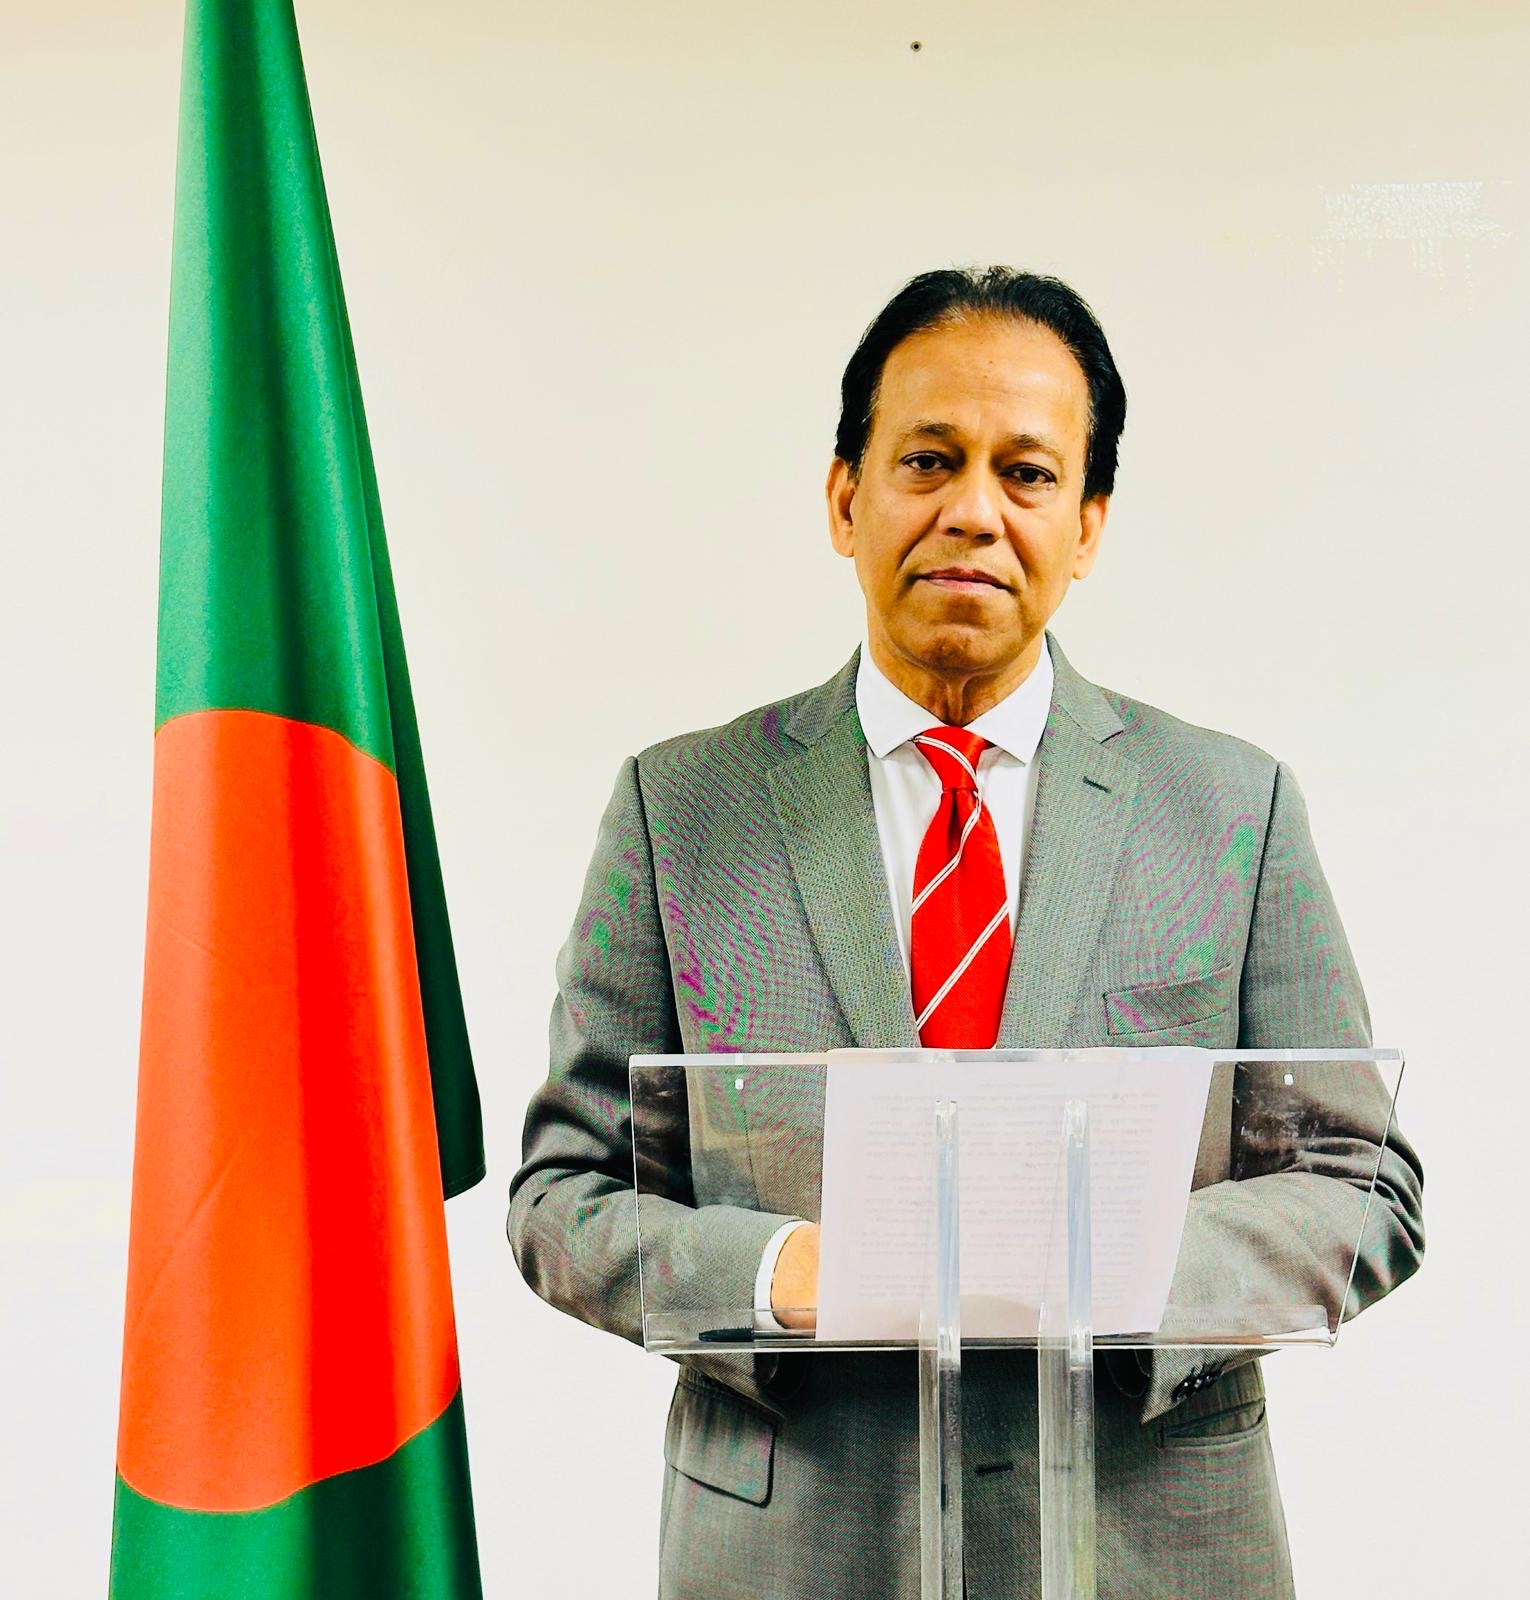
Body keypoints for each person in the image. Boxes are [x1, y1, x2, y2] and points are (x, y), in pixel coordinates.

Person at [507, 266, 1424, 1599]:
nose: (973, 512)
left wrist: (1122, 1267)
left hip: (1150, 1546)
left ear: (1088, 524)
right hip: (794, 1552)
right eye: (928, 460)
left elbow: (1363, 1182)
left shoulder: (1233, 808)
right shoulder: (679, 809)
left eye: (1027, 473)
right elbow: (561, 1197)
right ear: (845, 498)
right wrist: (784, 1271)